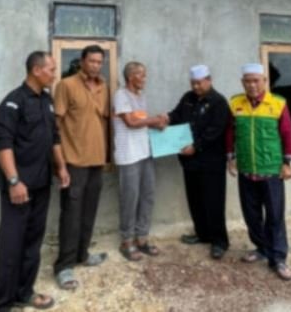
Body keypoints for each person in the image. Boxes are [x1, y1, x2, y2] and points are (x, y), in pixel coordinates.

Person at [0, 51, 70, 311]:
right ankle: (2, 304)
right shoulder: (13, 103)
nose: (55, 74)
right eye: (51, 69)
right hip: (19, 188)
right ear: (36, 70)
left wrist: (61, 167)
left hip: (41, 184)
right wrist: (14, 181)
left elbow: (54, 138)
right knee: (11, 246)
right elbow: (3, 145)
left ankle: (24, 293)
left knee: (33, 243)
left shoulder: (46, 100)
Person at [226, 63, 291, 281]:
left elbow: (287, 134)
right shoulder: (235, 103)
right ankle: (262, 248)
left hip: (271, 170)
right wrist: (231, 157)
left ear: (265, 81)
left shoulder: (277, 103)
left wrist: (287, 162)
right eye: (247, 81)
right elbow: (230, 133)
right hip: (247, 169)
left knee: (275, 215)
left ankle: (278, 258)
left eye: (256, 80)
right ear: (242, 83)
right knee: (251, 214)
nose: (252, 85)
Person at [52, 45, 110, 290]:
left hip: (97, 160)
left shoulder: (104, 86)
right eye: (92, 61)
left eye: (99, 62)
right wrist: (60, 164)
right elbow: (55, 126)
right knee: (71, 214)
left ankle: (82, 254)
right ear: (82, 61)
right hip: (74, 161)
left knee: (89, 211)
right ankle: (64, 266)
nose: (96, 65)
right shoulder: (66, 85)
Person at [166, 64, 231, 259]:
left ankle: (219, 241)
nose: (195, 87)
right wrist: (165, 119)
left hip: (211, 162)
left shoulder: (219, 102)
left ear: (209, 80)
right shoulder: (188, 98)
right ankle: (203, 234)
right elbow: (176, 115)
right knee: (195, 199)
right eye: (193, 83)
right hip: (190, 161)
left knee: (214, 201)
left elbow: (215, 130)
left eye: (199, 83)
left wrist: (196, 146)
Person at [113, 61, 167, 261]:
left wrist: (156, 124)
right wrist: (154, 120)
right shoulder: (121, 95)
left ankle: (142, 238)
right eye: (141, 75)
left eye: (144, 75)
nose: (145, 79)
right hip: (128, 155)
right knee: (130, 198)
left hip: (145, 152)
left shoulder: (141, 96)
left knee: (147, 195)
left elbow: (141, 122)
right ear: (131, 77)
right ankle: (126, 241)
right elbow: (130, 122)